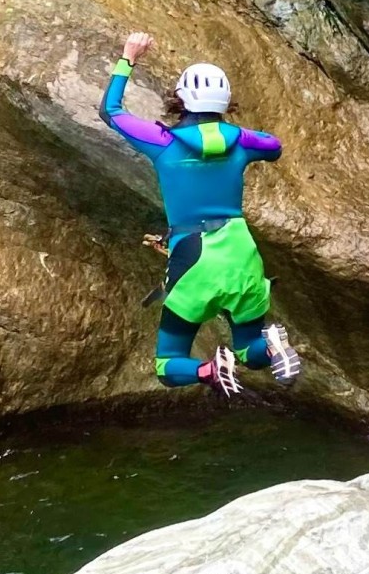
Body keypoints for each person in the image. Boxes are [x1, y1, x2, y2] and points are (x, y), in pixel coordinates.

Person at [100, 32, 302, 395]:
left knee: (168, 362)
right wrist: (239, 136)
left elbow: (110, 111)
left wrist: (128, 56)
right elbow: (274, 146)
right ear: (224, 100)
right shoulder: (241, 140)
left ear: (181, 98)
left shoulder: (163, 142)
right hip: (240, 252)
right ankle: (272, 345)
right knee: (250, 352)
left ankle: (210, 370)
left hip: (194, 256)